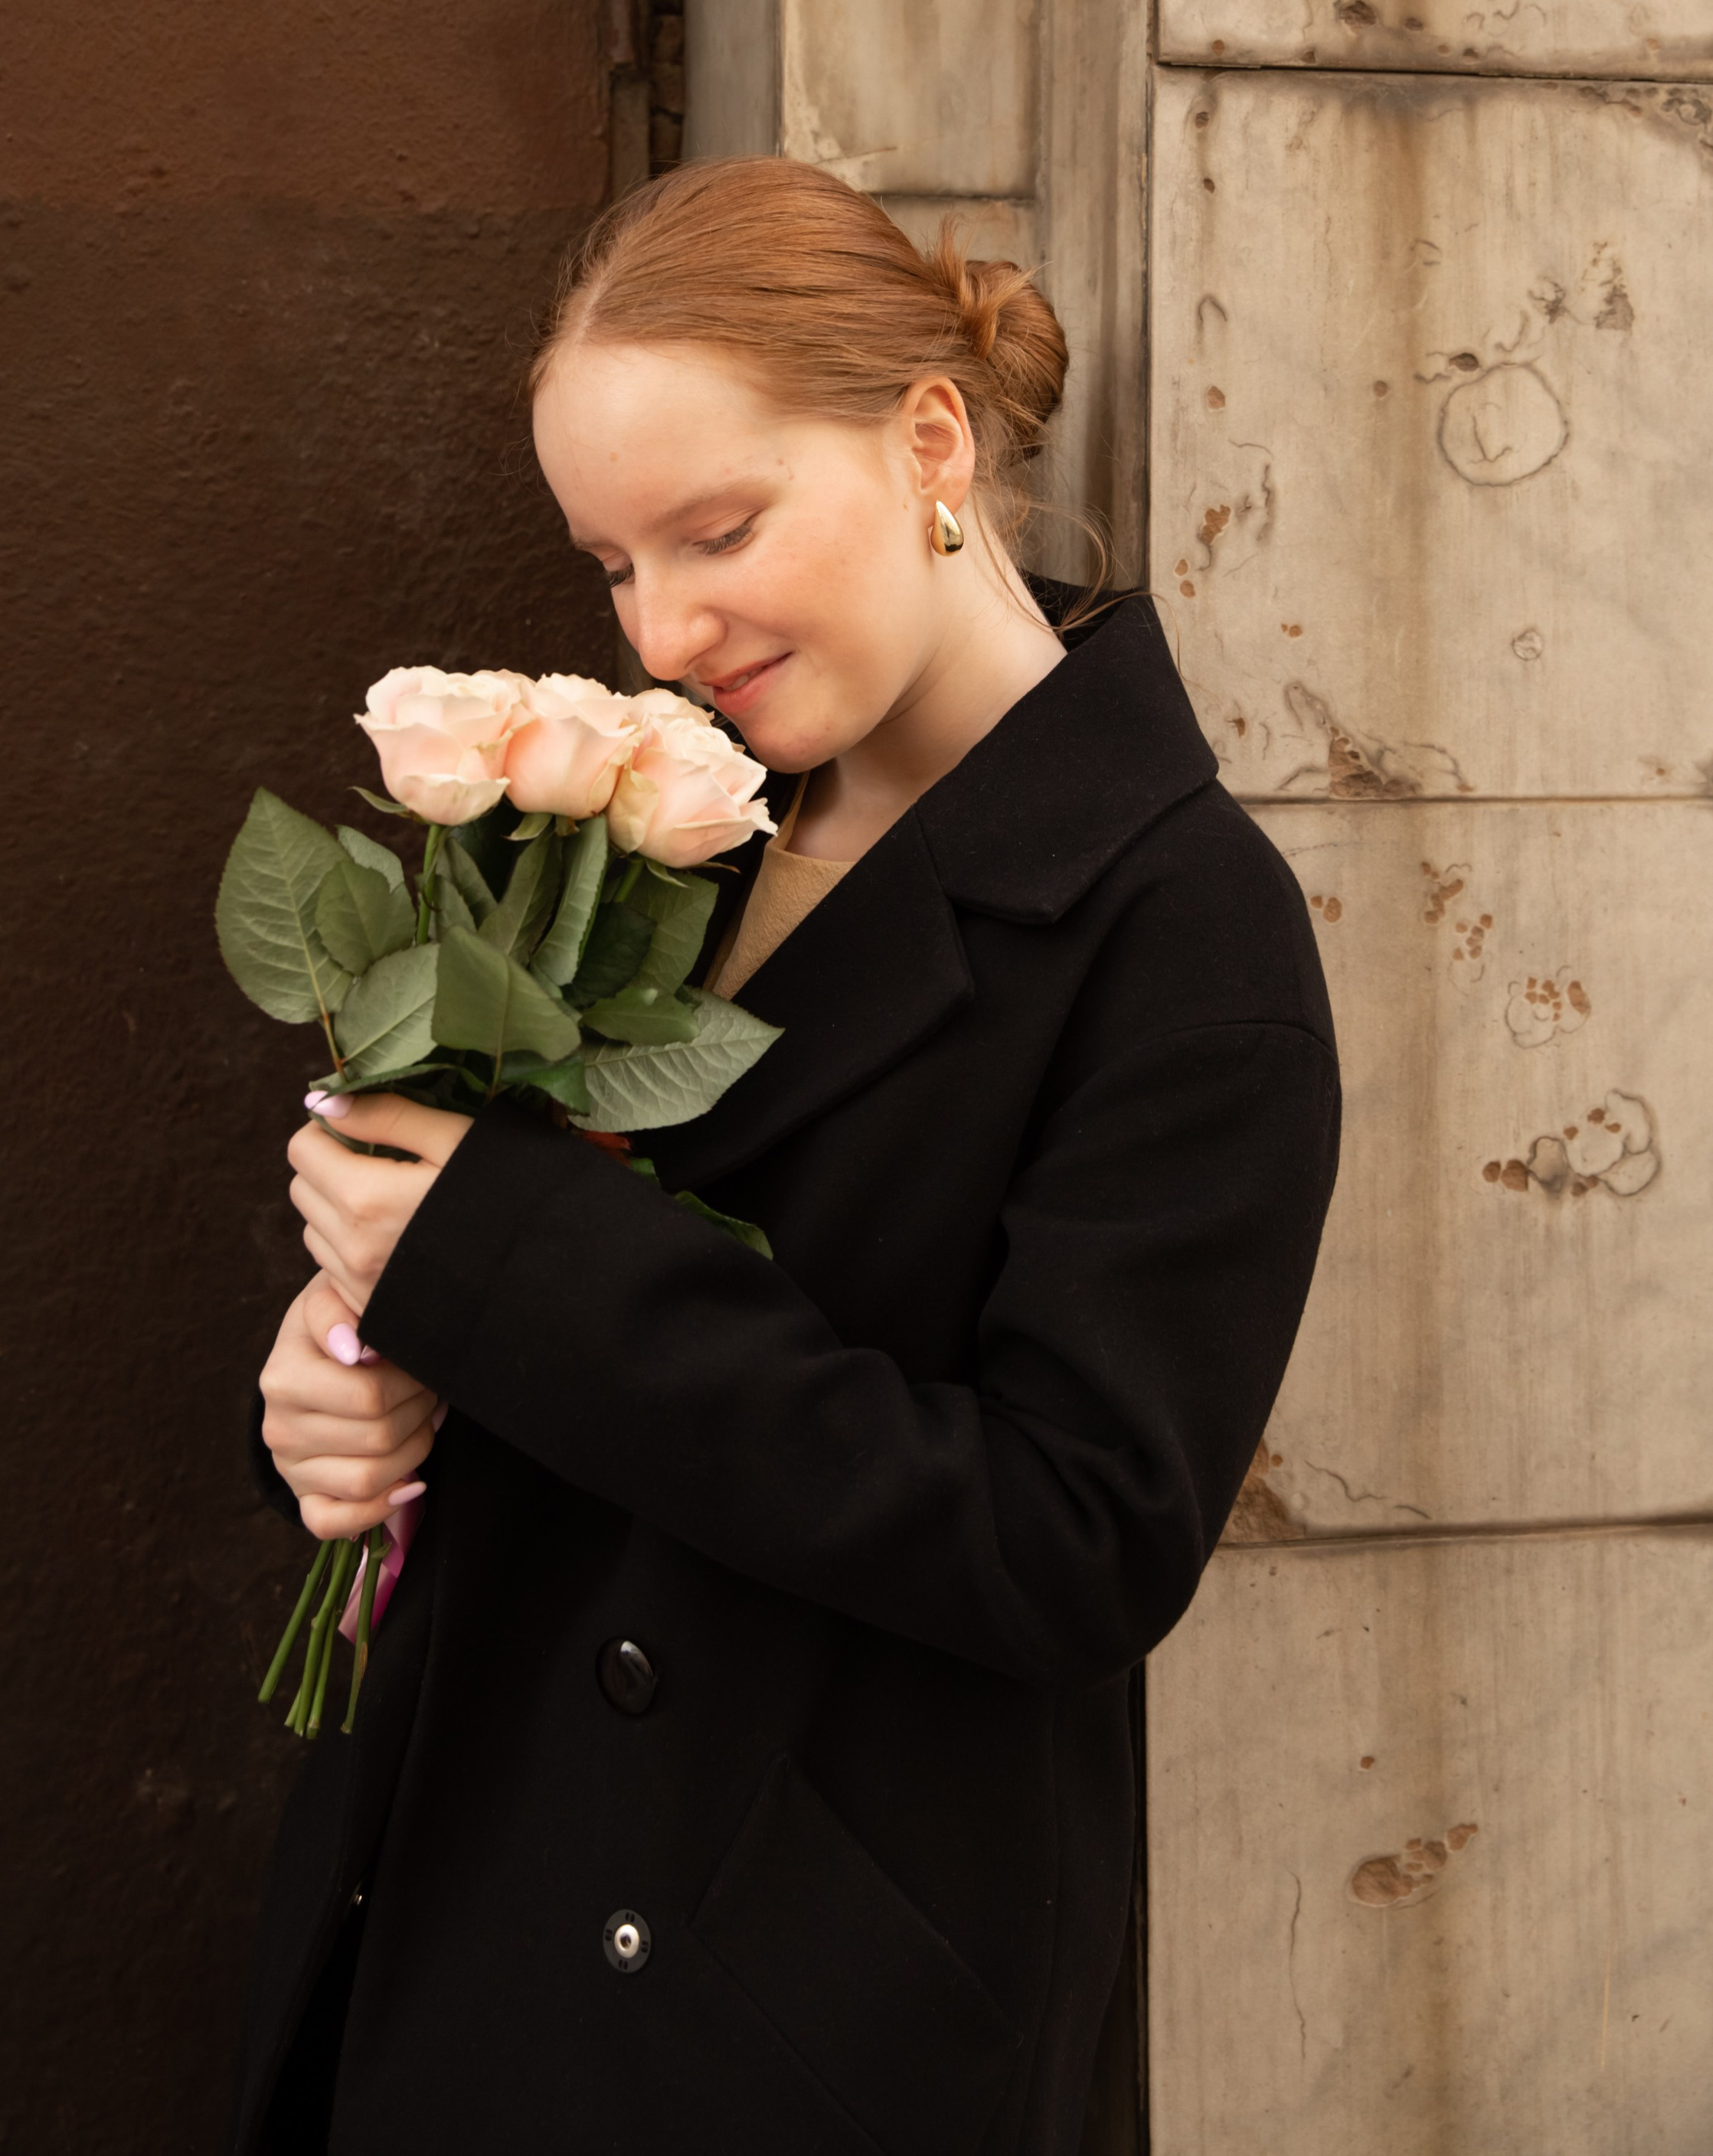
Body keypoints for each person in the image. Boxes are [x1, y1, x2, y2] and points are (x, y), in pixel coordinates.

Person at [234, 157, 1339, 2156]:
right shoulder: (686, 818)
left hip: (771, 2005)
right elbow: (527, 1314)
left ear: (930, 439)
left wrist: (508, 1270)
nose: (661, 629)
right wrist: (345, 1392)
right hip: (467, 1878)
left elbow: (1074, 1541)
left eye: (717, 530)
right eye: (612, 566)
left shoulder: (1180, 922)